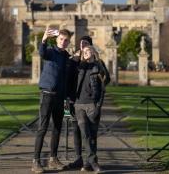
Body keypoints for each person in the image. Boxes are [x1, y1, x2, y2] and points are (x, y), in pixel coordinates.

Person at [66, 36, 110, 170]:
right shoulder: (75, 62)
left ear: (91, 47)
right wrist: (67, 101)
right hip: (75, 103)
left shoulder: (98, 64)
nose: (82, 46)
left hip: (90, 103)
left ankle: (88, 161)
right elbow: (68, 80)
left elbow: (106, 80)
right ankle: (81, 159)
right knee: (77, 132)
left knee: (89, 133)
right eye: (81, 44)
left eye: (85, 44)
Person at [31, 27, 71, 173]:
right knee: (42, 128)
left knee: (57, 128)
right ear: (57, 39)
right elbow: (41, 53)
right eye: (61, 39)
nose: (63, 42)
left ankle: (53, 159)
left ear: (68, 42)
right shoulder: (50, 51)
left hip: (60, 96)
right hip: (48, 93)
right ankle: (36, 161)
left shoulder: (67, 56)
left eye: (66, 40)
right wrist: (43, 39)